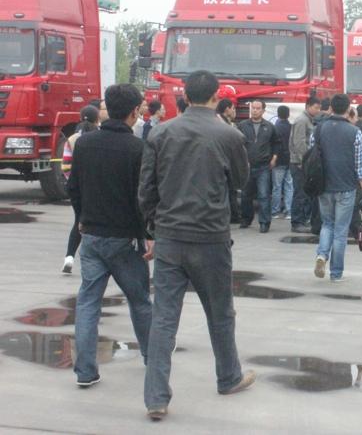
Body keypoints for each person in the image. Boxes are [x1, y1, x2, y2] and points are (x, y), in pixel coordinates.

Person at [139, 70, 252, 421]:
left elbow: (146, 191)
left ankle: (156, 397)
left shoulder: (160, 132)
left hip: (170, 237)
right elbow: (241, 180)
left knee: (164, 318)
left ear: (185, 96)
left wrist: (154, 227)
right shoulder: (229, 135)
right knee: (220, 312)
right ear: (216, 97)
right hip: (210, 237)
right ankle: (229, 376)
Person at [66, 85, 152, 388]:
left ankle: (86, 371)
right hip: (125, 239)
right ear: (134, 112)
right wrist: (148, 235)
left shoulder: (85, 144)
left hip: (91, 235)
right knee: (139, 300)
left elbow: (72, 188)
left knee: (88, 302)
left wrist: (82, 218)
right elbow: (142, 199)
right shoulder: (138, 149)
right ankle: (153, 359)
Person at [312, 94, 362, 282]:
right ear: (348, 109)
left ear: (330, 107)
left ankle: (321, 255)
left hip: (323, 186)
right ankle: (336, 273)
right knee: (340, 230)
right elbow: (360, 165)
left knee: (327, 224)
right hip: (346, 186)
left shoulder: (319, 129)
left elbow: (312, 157)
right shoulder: (354, 132)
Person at [61, 105, 100, 274]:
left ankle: (69, 257)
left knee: (78, 220)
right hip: (97, 187)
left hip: (76, 188)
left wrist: (74, 181)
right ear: (97, 118)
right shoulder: (99, 137)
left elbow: (65, 165)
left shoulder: (72, 139)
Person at [238, 100, 281, 233]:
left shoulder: (269, 126)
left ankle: (264, 222)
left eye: (258, 108)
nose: (255, 110)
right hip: (247, 166)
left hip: (263, 166)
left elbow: (277, 143)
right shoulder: (242, 125)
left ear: (263, 110)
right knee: (245, 195)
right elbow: (237, 144)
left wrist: (274, 157)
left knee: (263, 195)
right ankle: (246, 219)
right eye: (253, 108)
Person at [289, 96, 321, 232]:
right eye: (316, 107)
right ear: (308, 106)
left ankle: (303, 219)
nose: (318, 110)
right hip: (299, 163)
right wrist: (304, 161)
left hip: (303, 162)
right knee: (300, 193)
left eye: (319, 108)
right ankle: (297, 222)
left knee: (305, 193)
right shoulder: (302, 121)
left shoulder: (309, 120)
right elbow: (299, 143)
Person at [216, 98, 241, 223]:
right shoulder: (221, 123)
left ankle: (233, 214)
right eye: (233, 108)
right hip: (223, 162)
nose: (234, 111)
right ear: (227, 109)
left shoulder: (226, 122)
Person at [271, 105, 294, 220]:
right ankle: (288, 211)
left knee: (277, 186)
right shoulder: (291, 127)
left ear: (278, 114)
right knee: (289, 186)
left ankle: (275, 211)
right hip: (289, 159)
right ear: (288, 114)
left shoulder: (274, 127)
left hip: (278, 159)